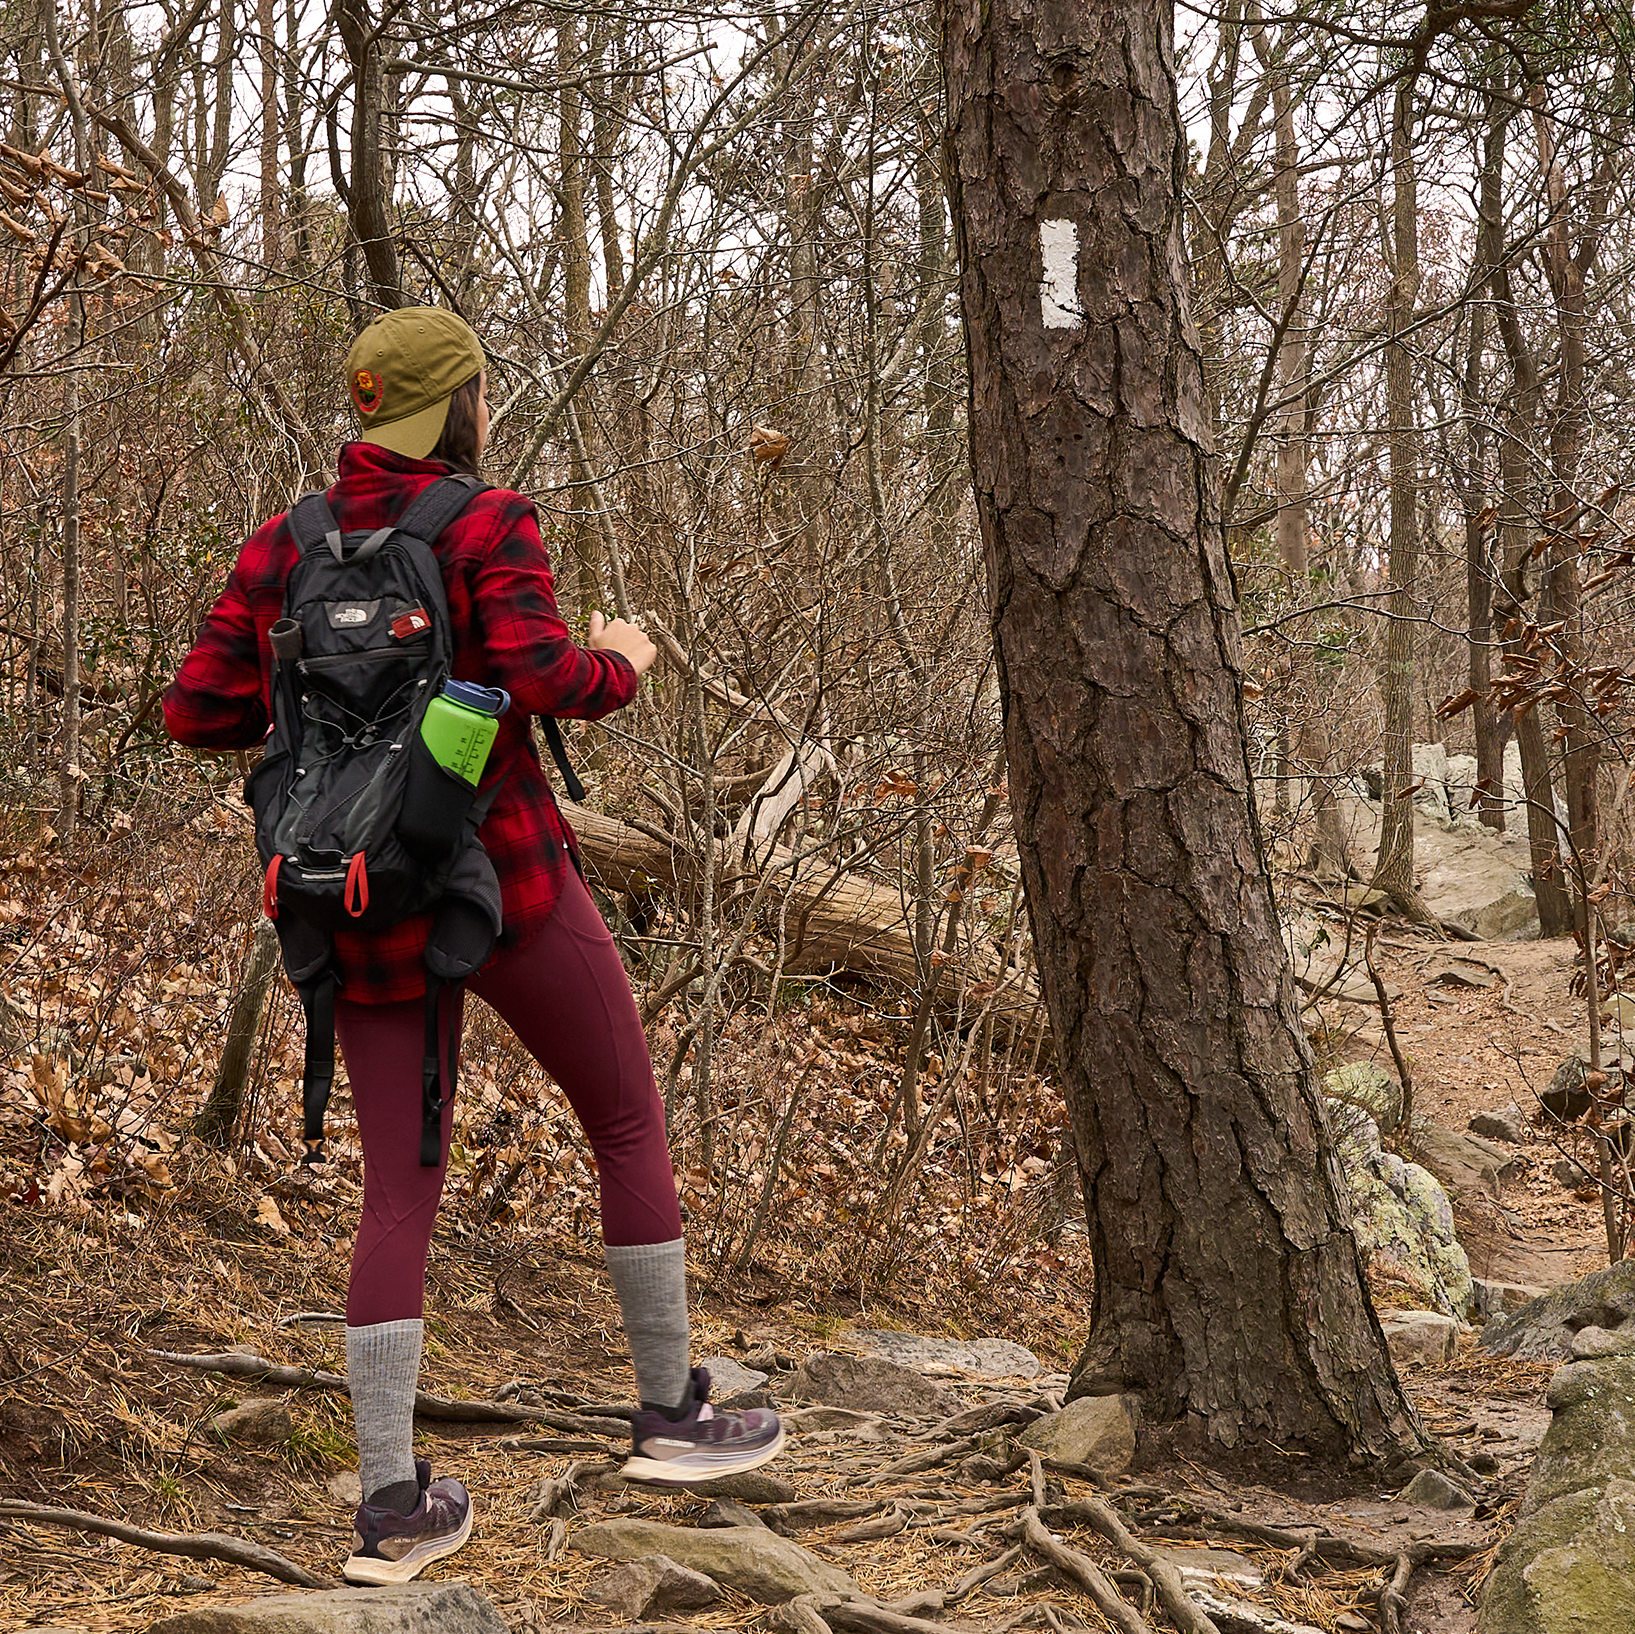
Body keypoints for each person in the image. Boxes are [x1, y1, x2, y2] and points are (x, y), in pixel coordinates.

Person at [163, 306, 782, 1586]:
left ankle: (393, 1500)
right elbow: (546, 675)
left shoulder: (287, 546)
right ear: (462, 409)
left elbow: (196, 709)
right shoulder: (487, 524)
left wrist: (328, 738)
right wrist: (623, 659)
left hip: (356, 897)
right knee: (623, 1117)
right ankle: (671, 1413)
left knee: (399, 1187)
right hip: (508, 880)